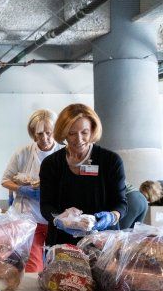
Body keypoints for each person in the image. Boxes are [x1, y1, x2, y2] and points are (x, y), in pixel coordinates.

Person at [40, 103, 127, 246]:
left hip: (103, 241)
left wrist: (111, 217)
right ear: (63, 133)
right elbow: (46, 206)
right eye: (72, 133)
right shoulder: (51, 164)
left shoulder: (110, 161)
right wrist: (59, 219)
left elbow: (121, 203)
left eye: (84, 132)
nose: (79, 139)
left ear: (93, 130)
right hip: (62, 242)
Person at [1, 109, 62, 272]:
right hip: (28, 219)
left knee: (56, 267)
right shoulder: (23, 153)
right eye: (39, 134)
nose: (44, 138)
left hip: (56, 220)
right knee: (33, 267)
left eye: (48, 133)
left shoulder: (64, 154)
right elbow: (5, 180)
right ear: (33, 134)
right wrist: (22, 189)